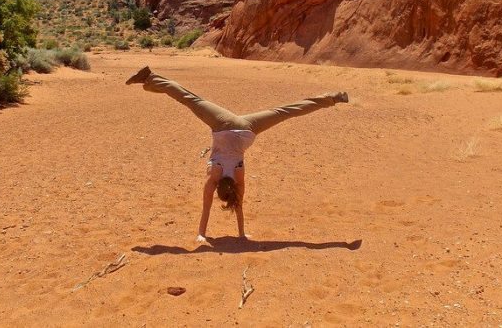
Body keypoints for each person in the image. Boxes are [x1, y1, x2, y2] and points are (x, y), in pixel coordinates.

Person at [126, 66, 349, 242]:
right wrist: (201, 234)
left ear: (230, 191)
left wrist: (241, 234)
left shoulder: (239, 179)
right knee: (189, 99)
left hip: (247, 130)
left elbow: (238, 207)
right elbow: (205, 209)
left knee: (285, 112)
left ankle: (332, 98)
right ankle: (151, 78)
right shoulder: (214, 175)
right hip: (224, 125)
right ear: (219, 190)